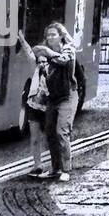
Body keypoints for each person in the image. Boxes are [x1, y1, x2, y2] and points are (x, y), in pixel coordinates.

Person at [38, 22, 80, 183]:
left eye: (53, 35)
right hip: (52, 96)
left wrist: (46, 53)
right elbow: (41, 63)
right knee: (50, 132)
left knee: (62, 132)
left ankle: (66, 169)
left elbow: (63, 60)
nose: (49, 38)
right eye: (48, 35)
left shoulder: (68, 49)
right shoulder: (46, 52)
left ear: (61, 36)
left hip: (68, 95)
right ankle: (56, 168)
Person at [17, 34, 52, 178]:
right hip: (33, 108)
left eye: (44, 61)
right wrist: (21, 38)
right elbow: (28, 51)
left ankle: (55, 165)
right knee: (35, 138)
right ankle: (37, 165)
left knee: (51, 138)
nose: (42, 64)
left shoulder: (53, 72)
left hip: (48, 109)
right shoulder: (35, 70)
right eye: (39, 61)